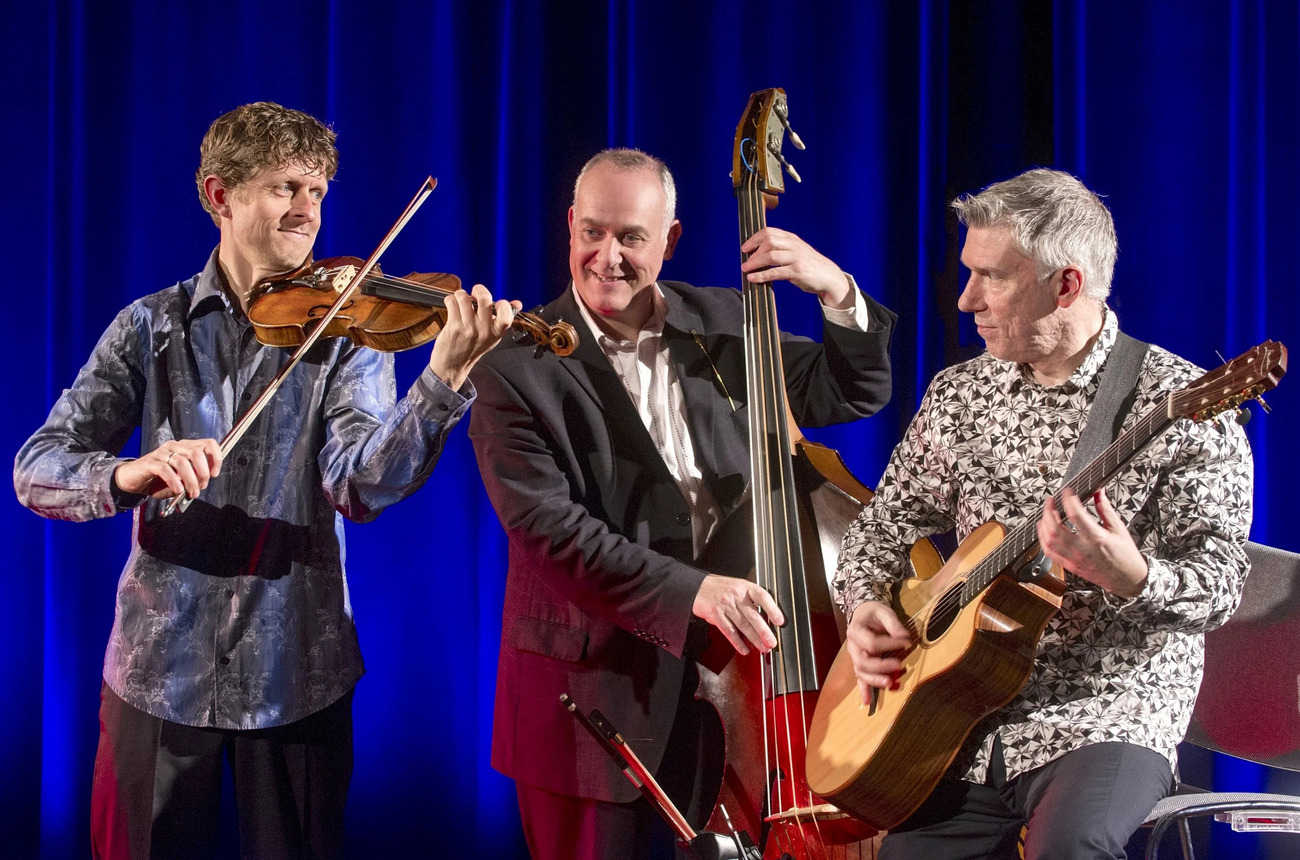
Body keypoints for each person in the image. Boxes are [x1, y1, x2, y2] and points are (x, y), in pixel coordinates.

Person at [14, 101, 516, 860]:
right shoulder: (150, 327)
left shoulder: (348, 334)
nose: (308, 211)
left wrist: (441, 381)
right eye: (286, 188)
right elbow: (38, 466)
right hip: (157, 671)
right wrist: (128, 472)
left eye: (317, 192)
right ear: (220, 195)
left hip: (297, 676)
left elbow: (361, 486)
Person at [467, 147, 897, 859]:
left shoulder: (726, 320)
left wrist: (836, 291)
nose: (607, 257)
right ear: (569, 226)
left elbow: (849, 390)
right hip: (593, 697)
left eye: (631, 237)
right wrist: (694, 591)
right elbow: (550, 532)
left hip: (733, 695)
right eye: (592, 232)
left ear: (669, 241)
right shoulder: (513, 365)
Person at [834, 168, 1253, 859]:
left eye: (992, 277)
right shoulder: (961, 394)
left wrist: (1134, 577)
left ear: (1066, 285)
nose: (965, 299)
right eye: (968, 272)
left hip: (1106, 711)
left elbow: (1223, 584)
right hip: (958, 713)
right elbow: (883, 525)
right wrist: (864, 605)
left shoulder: (1184, 406)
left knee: (1071, 847)